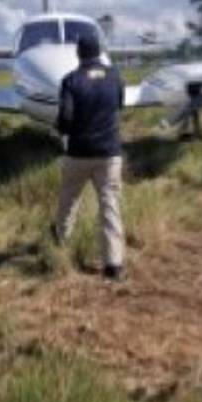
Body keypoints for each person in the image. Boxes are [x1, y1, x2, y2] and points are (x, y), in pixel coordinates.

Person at [53, 33, 127, 281]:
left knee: (68, 200)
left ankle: (59, 245)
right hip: (109, 153)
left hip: (79, 153)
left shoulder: (71, 80)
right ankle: (113, 265)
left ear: (79, 53)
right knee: (110, 206)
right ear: (99, 52)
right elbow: (119, 105)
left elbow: (65, 119)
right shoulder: (116, 77)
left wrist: (64, 131)